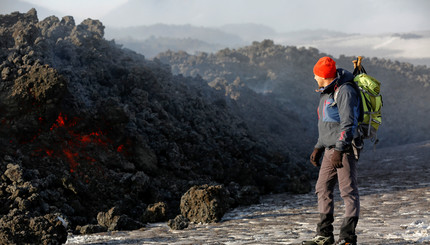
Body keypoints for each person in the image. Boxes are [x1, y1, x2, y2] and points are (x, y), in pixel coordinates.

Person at [302, 57, 362, 245]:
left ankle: (347, 238)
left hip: (343, 150)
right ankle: (325, 235)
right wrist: (318, 147)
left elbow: (348, 123)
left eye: (316, 74)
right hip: (329, 149)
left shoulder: (345, 91)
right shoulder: (326, 93)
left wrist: (339, 149)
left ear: (324, 76)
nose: (313, 77)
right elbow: (327, 124)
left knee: (348, 191)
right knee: (322, 188)